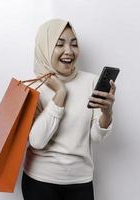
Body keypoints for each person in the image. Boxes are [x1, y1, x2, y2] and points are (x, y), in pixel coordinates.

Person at [21, 18, 116, 200]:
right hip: (39, 181)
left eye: (74, 44)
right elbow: (37, 141)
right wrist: (60, 93)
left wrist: (107, 112)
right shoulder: (34, 88)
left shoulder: (92, 82)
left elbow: (96, 137)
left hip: (80, 182)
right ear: (46, 47)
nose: (69, 51)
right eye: (59, 44)